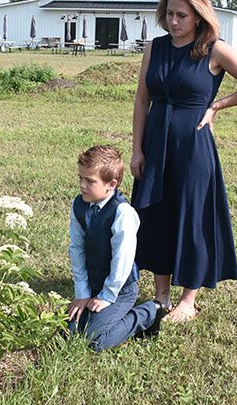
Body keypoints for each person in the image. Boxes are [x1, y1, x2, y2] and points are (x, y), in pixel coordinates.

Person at [130, 0, 237, 322]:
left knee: (191, 217)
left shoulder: (214, 49)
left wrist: (216, 106)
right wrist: (137, 149)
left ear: (199, 16)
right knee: (157, 214)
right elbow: (142, 99)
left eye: (182, 15)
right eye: (169, 13)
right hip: (155, 144)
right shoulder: (155, 48)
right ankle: (161, 294)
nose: (174, 21)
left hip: (193, 147)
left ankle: (188, 299)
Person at [67, 145, 166, 351]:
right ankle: (93, 314)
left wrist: (107, 295)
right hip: (93, 285)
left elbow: (122, 260)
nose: (82, 185)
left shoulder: (123, 213)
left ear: (111, 184)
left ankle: (149, 312)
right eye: (80, 178)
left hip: (120, 290)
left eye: (90, 181)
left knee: (95, 341)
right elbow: (76, 249)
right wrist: (82, 292)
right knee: (69, 330)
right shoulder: (79, 205)